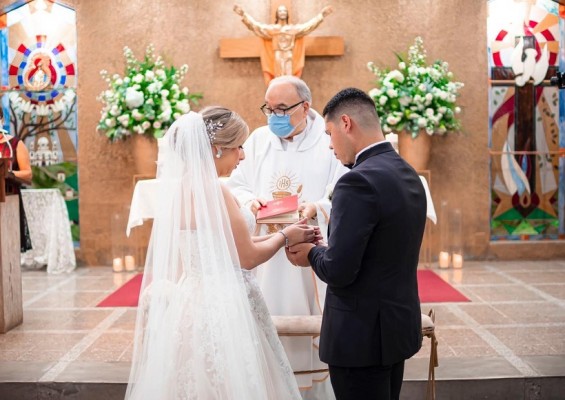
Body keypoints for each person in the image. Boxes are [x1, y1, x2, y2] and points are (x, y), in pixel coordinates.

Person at [125, 107, 321, 399]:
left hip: (192, 300)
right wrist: (285, 236)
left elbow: (223, 245)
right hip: (227, 303)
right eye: (238, 147)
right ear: (217, 150)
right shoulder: (216, 192)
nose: (242, 155)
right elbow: (247, 258)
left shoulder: (182, 190)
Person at [286, 88, 427, 400]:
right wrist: (328, 249)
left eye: (330, 133)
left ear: (346, 123)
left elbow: (339, 270)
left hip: (360, 338)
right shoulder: (407, 172)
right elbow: (382, 249)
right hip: (396, 329)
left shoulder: (355, 181)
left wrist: (310, 253)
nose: (330, 145)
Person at [227, 76, 348, 399]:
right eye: (269, 108)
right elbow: (234, 185)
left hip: (308, 250)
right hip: (264, 253)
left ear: (305, 107)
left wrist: (317, 207)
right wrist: (249, 201)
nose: (273, 115)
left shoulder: (328, 140)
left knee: (309, 319)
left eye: (281, 109)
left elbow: (343, 191)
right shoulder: (256, 140)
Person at [233, 3, 333, 84]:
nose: (282, 12)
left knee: (289, 79)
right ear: (277, 14)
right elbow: (256, 26)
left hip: (289, 54)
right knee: (278, 79)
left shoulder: (293, 29)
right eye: (280, 11)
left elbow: (308, 27)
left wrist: (321, 16)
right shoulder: (273, 29)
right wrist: (244, 15)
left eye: (284, 11)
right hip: (278, 55)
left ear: (287, 14)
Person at [0, 115, 32, 252]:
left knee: (6, 249)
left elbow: (28, 174)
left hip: (8, 199)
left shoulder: (14, 144)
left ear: (1, 119)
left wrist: (7, 173)